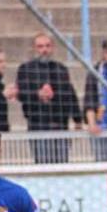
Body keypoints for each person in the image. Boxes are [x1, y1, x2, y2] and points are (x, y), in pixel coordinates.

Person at [16, 33, 83, 164]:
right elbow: (21, 94)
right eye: (40, 46)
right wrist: (37, 94)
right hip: (37, 124)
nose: (44, 50)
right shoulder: (25, 69)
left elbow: (70, 94)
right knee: (42, 163)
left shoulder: (60, 69)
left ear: (52, 48)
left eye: (47, 46)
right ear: (34, 49)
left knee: (62, 163)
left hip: (60, 124)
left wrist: (77, 119)